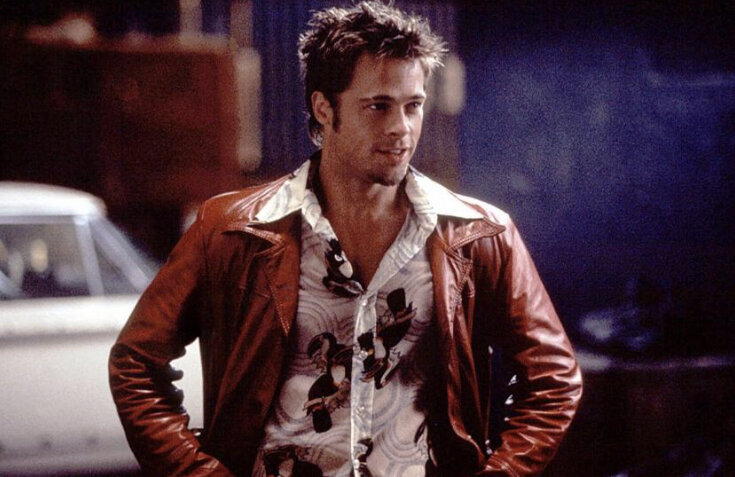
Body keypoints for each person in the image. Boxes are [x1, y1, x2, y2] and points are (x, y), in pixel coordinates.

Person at [109, 2, 582, 476]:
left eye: (413, 106)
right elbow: (135, 364)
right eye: (378, 106)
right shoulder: (232, 230)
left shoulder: (477, 234)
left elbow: (554, 378)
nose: (401, 128)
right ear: (324, 108)